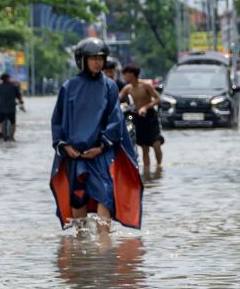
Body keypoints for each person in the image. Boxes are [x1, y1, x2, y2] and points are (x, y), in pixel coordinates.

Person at [49, 37, 143, 235]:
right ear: (82, 60)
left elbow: (115, 119)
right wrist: (65, 146)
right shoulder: (69, 87)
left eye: (100, 58)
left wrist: (101, 147)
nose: (97, 62)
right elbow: (57, 120)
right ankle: (81, 240)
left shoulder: (109, 86)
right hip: (75, 154)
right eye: (93, 58)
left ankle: (104, 242)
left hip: (101, 153)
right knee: (78, 197)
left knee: (105, 195)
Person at [119, 63, 164, 169]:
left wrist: (145, 107)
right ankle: (147, 171)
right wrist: (124, 104)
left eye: (125, 74)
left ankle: (159, 167)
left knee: (156, 144)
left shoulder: (146, 85)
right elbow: (117, 99)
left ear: (132, 74)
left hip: (150, 116)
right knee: (144, 147)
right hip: (138, 117)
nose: (124, 77)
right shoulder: (127, 88)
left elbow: (158, 99)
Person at [0, 72, 25, 141]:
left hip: (0, 109)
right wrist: (22, 104)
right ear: (8, 79)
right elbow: (20, 98)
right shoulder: (14, 87)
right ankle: (12, 136)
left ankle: (1, 131)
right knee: (13, 124)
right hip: (11, 110)